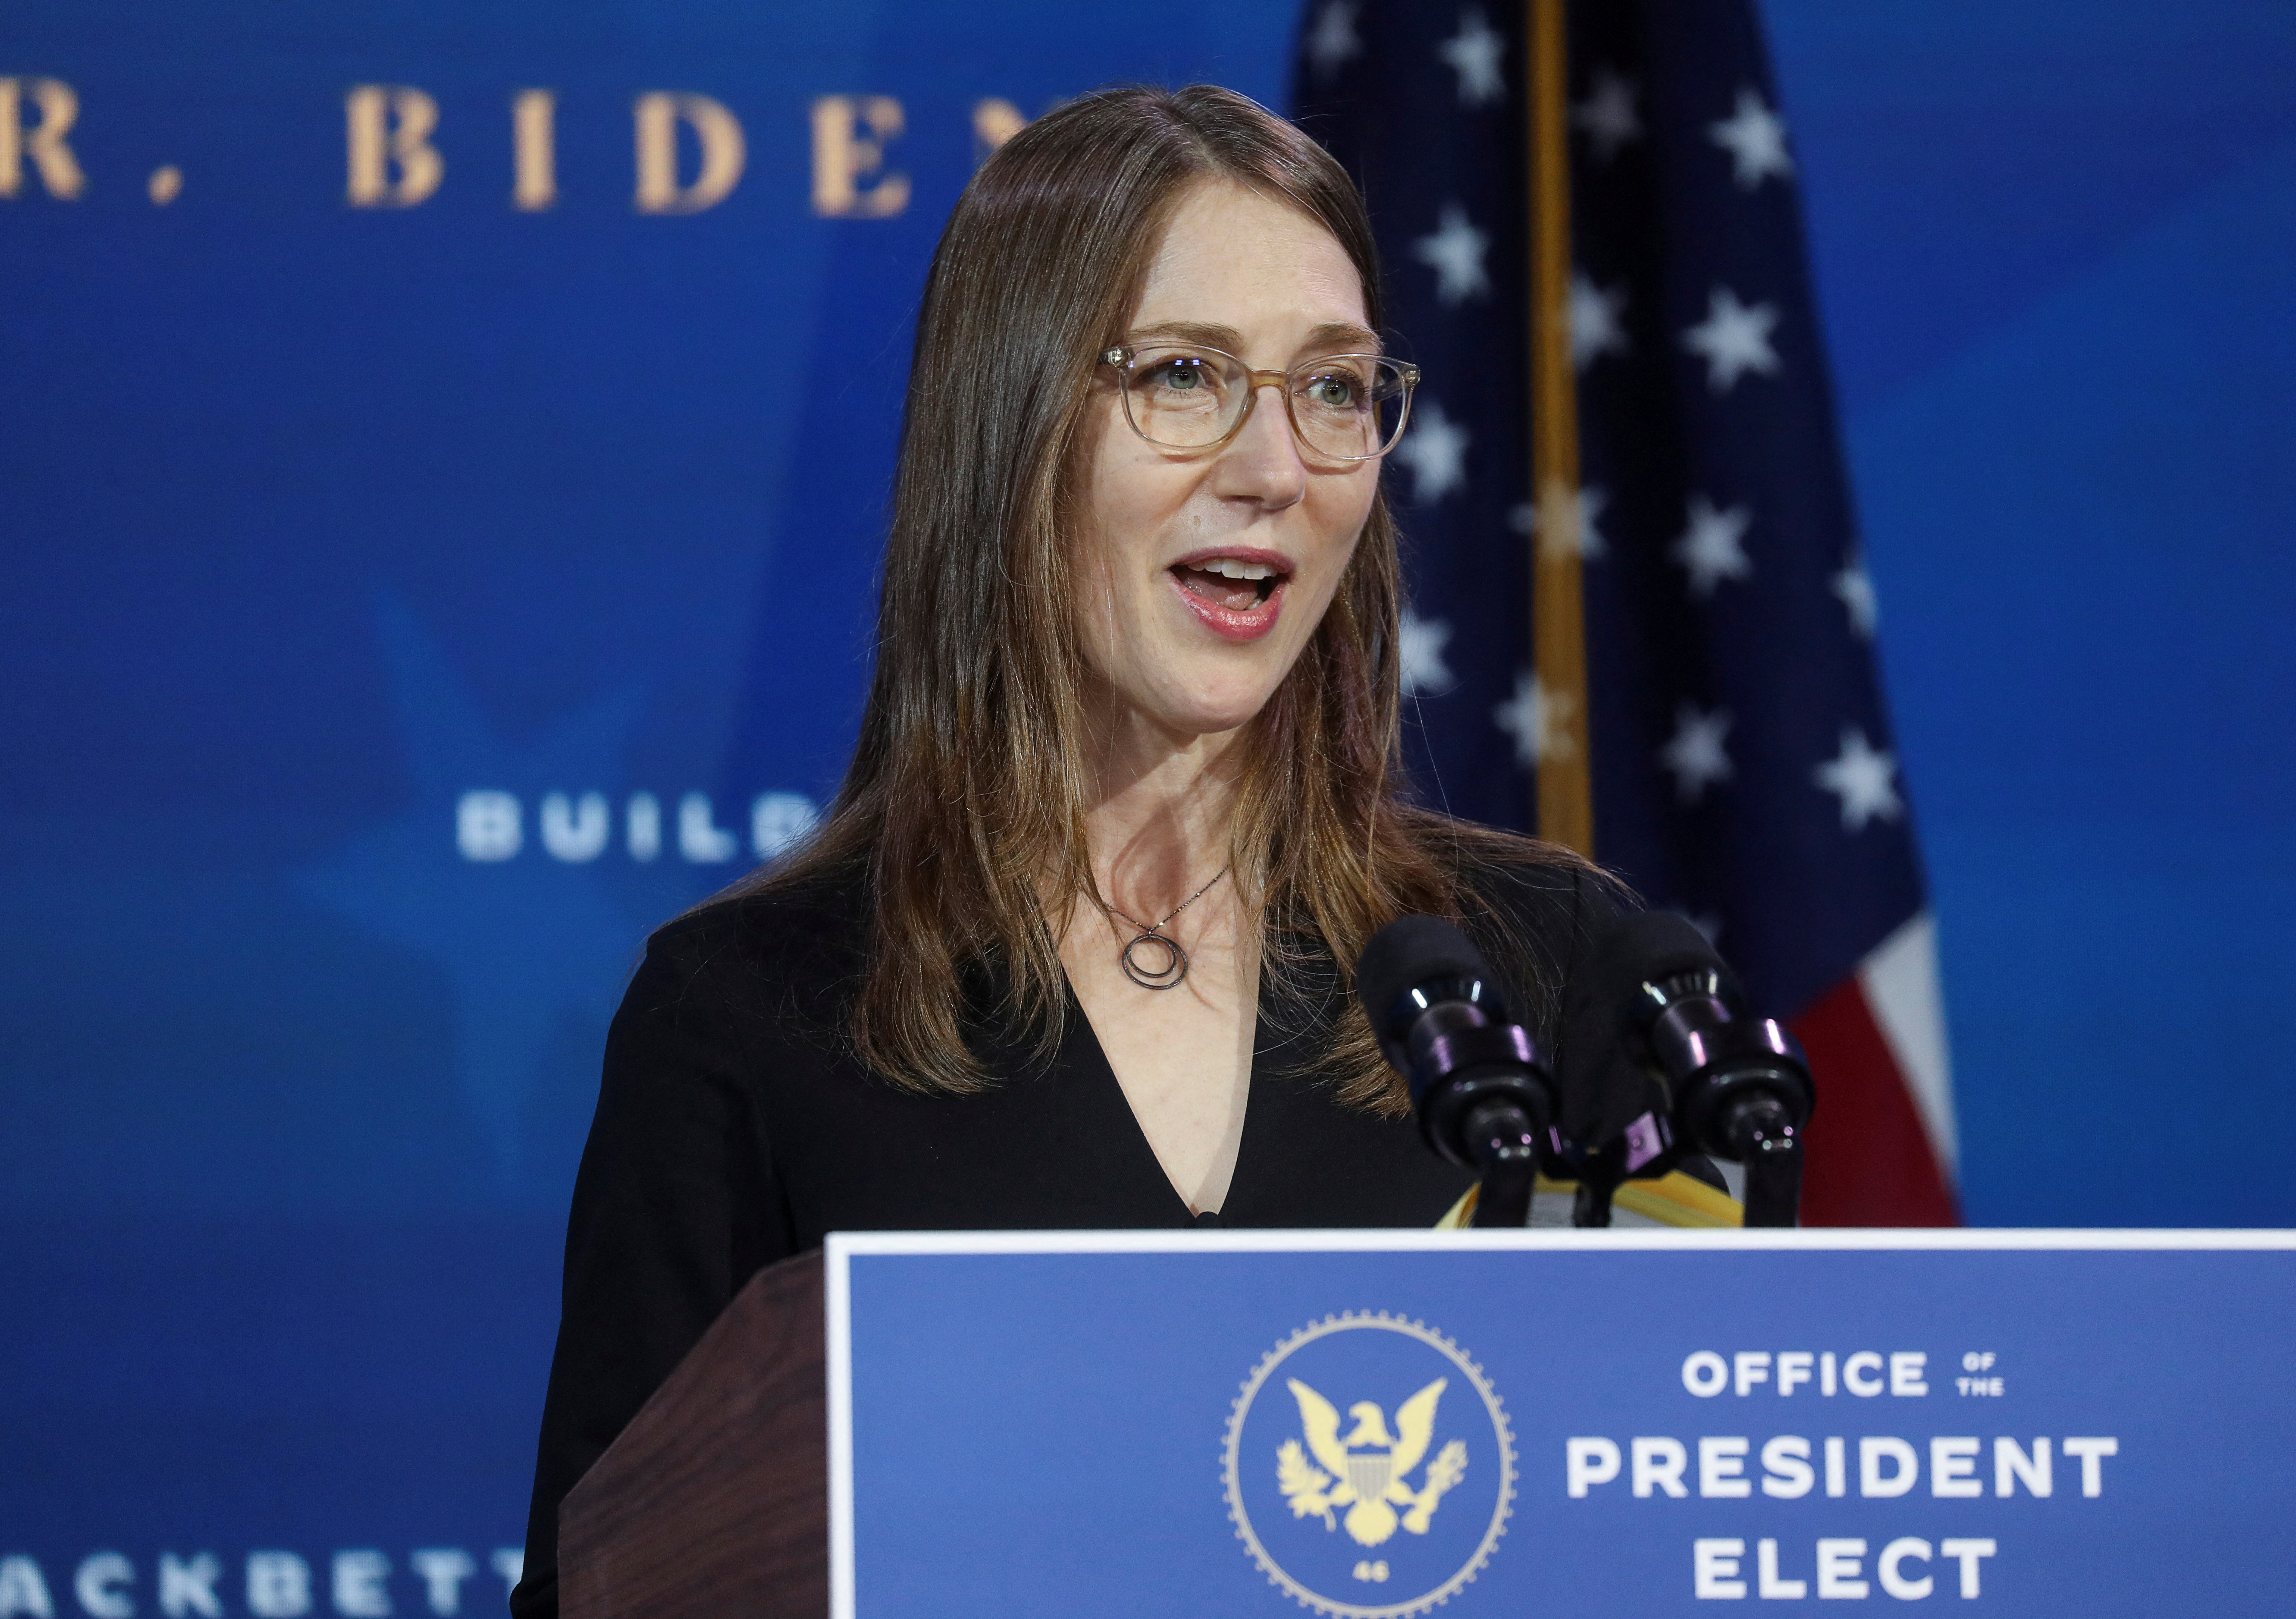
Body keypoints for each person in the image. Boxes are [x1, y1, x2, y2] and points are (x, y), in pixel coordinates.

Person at [509, 83, 1653, 1619]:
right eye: (1185, 376)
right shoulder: (750, 1016)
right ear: (1014, 423)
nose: (1275, 466)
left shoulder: (1541, 969)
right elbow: (612, 1587)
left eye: (1332, 387)